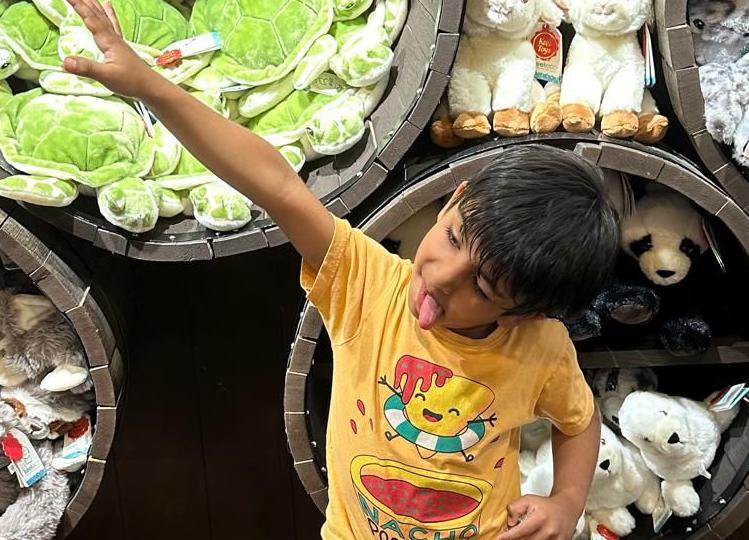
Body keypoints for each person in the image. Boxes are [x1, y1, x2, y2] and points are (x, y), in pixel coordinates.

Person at [61, 1, 622, 537]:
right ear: (455, 196)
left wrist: (567, 501)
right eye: (451, 238)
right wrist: (150, 86)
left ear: (526, 311)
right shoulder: (366, 282)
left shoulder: (540, 347)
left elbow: (579, 420)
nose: (441, 276)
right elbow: (277, 183)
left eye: (482, 286)